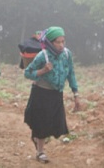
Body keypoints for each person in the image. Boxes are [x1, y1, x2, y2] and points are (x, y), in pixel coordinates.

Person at [23, 26, 81, 164]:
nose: (61, 45)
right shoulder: (42, 56)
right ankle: (40, 152)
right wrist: (43, 71)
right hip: (41, 94)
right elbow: (27, 73)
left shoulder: (67, 54)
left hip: (57, 94)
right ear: (50, 43)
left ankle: (38, 138)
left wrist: (76, 94)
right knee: (42, 123)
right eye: (58, 42)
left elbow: (71, 73)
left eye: (63, 41)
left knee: (54, 123)